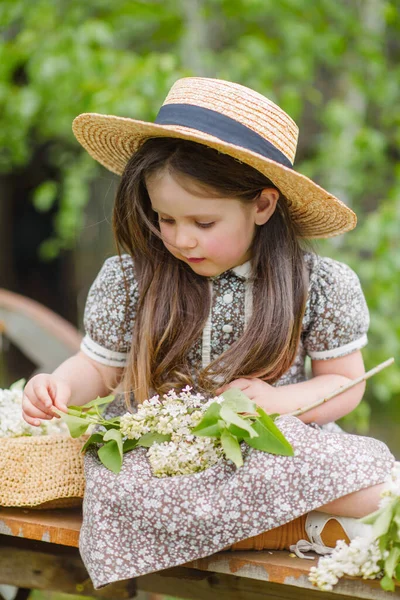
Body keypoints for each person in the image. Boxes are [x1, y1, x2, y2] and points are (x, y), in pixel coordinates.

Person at [22, 77, 394, 588]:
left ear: (262, 206)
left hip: (268, 448)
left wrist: (276, 402)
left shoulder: (319, 282)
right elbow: (99, 365)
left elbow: (344, 382)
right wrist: (61, 385)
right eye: (165, 219)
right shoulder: (132, 278)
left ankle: (269, 520)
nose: (180, 238)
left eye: (202, 221)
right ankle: (292, 525)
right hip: (162, 454)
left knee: (374, 480)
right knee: (119, 486)